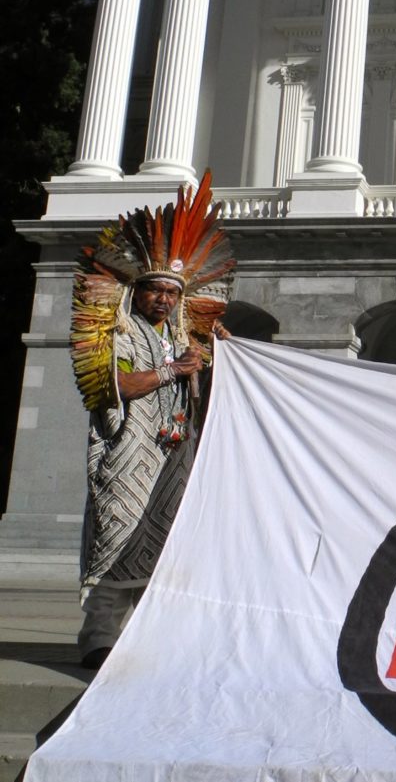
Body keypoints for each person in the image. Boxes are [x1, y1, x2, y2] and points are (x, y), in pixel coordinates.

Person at [71, 172, 234, 668]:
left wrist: (220, 351)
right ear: (136, 292)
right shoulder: (118, 332)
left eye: (170, 292)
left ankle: (146, 639)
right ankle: (99, 639)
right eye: (154, 290)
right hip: (126, 451)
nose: (163, 299)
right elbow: (114, 386)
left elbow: (204, 382)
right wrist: (172, 369)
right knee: (116, 537)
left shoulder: (185, 338)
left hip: (172, 454)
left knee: (163, 545)